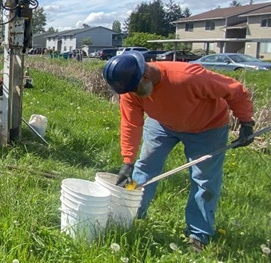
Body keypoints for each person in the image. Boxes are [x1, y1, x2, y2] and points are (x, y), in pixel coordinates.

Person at [102, 51, 255, 251]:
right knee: (144, 168)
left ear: (145, 76)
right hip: (162, 124)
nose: (131, 93)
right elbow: (131, 124)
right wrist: (127, 161)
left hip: (207, 128)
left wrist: (246, 123)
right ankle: (132, 216)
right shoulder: (130, 90)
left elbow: (235, 90)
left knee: (204, 180)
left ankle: (198, 234)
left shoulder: (188, 77)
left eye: (134, 89)